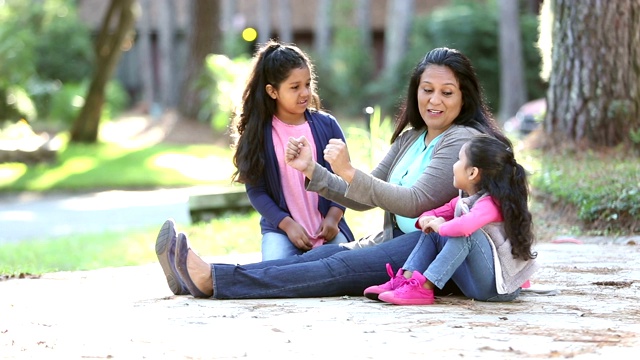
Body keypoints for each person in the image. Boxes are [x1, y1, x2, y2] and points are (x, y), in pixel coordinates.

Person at [155, 47, 512, 299]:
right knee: (317, 258)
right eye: (427, 89)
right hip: (395, 244)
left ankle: (212, 279)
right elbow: (364, 199)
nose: (434, 100)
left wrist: (350, 171)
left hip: (430, 254)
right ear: (415, 91)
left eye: (447, 93)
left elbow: (414, 203)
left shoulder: (463, 140)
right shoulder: (411, 139)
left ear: (464, 97)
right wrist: (314, 170)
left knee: (334, 267)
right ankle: (204, 280)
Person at [366, 134, 539, 305]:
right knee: (435, 231)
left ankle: (425, 287)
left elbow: (465, 227)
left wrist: (442, 226)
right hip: (475, 284)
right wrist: (427, 220)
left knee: (466, 234)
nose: (454, 165)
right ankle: (405, 280)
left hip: (499, 289)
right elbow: (434, 213)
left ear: (472, 172)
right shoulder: (464, 201)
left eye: (458, 159)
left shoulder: (491, 204)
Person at [229, 39, 354, 261]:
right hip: (282, 231)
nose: (304, 93)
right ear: (272, 91)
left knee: (345, 268)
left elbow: (344, 177)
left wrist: (334, 217)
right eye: (294, 87)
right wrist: (287, 225)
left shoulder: (328, 125)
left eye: (307, 84)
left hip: (329, 229)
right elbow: (256, 191)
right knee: (275, 273)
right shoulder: (258, 133)